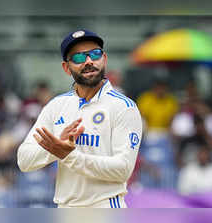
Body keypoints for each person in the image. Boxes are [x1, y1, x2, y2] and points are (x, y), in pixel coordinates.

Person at [17, 29, 142, 208]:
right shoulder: (57, 105)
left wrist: (68, 155)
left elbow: (123, 169)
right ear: (66, 68)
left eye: (95, 54)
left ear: (104, 59)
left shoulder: (123, 107)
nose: (89, 61)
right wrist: (56, 147)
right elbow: (24, 160)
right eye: (78, 58)